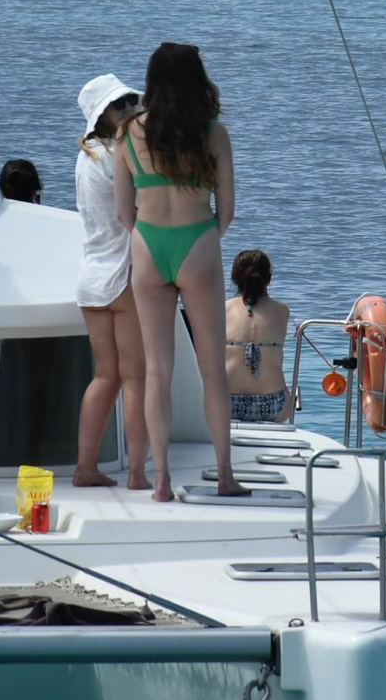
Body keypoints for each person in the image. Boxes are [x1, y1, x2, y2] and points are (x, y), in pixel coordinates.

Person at [116, 42, 247, 500]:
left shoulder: (128, 133)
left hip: (148, 244)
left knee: (158, 370)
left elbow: (123, 212)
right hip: (197, 241)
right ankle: (226, 474)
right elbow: (227, 211)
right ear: (198, 80)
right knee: (213, 369)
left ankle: (162, 481)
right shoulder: (213, 133)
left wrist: (147, 236)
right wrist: (206, 238)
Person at [72, 74, 151, 490]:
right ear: (103, 115)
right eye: (122, 104)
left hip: (91, 277)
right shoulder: (118, 156)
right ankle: (138, 474)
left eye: (133, 100)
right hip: (123, 275)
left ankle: (86, 467)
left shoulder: (87, 157)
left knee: (106, 377)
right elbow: (136, 212)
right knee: (136, 378)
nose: (132, 108)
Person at [225, 249, 292, 424]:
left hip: (226, 405)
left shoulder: (221, 310)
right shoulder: (282, 311)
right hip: (274, 405)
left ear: (234, 279)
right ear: (268, 280)